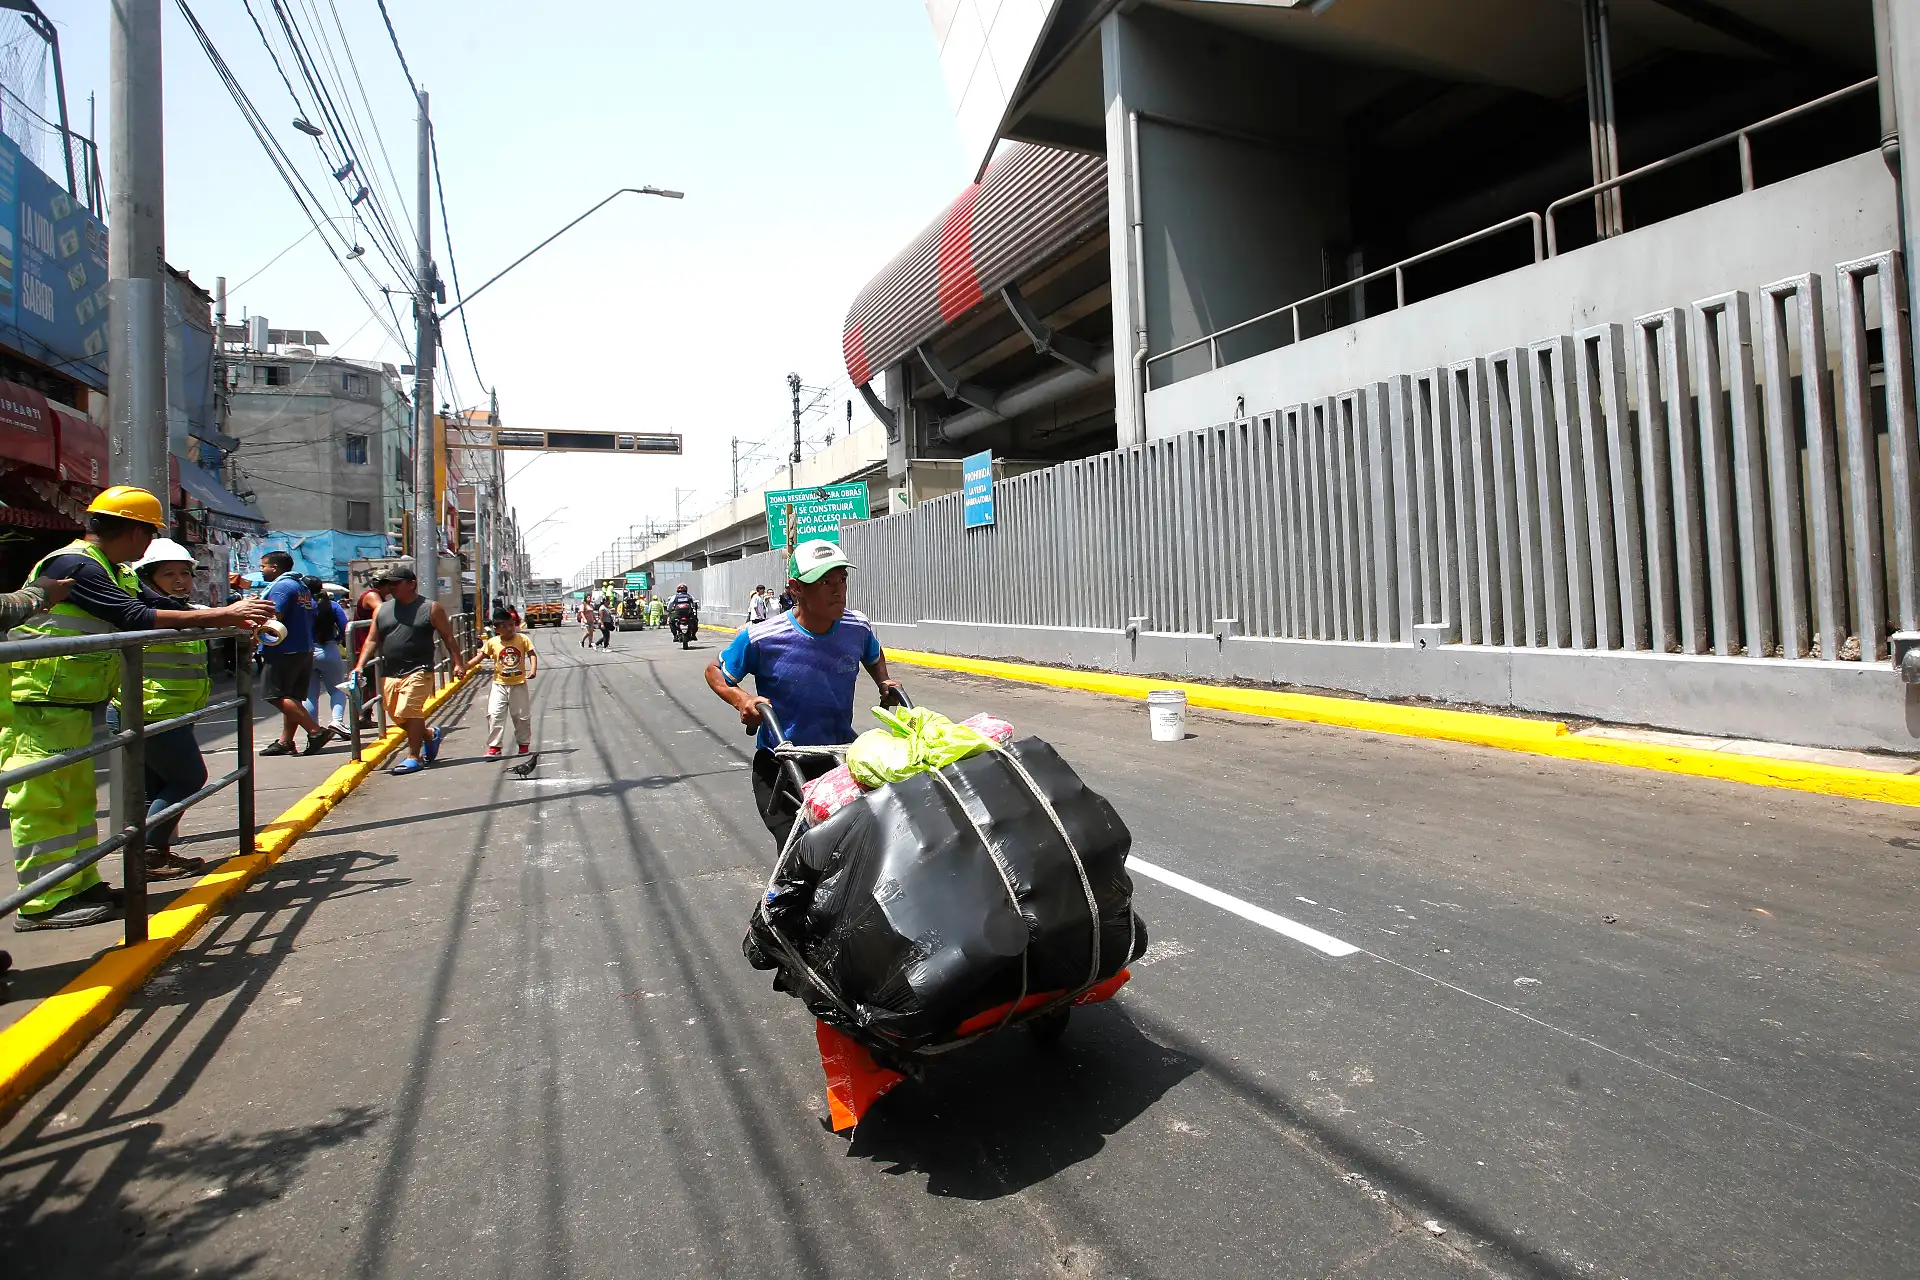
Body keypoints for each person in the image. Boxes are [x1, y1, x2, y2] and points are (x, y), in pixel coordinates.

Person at [6, 486, 273, 930]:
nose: (149, 543)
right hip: (41, 699)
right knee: (43, 804)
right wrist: (223, 616)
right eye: (149, 533)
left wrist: (226, 613)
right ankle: (43, 903)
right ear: (133, 531)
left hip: (73, 699)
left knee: (74, 804)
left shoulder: (112, 570)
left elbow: (155, 605)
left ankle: (77, 884)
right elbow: (135, 617)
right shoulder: (75, 566)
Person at [705, 540, 900, 843]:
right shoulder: (762, 637)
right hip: (781, 765)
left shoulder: (857, 626)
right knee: (802, 852)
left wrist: (883, 682)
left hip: (837, 759)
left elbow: (873, 655)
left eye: (842, 580)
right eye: (824, 582)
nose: (838, 590)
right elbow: (714, 671)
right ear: (796, 588)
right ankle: (781, 891)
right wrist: (742, 700)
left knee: (858, 845)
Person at [114, 539, 215, 881]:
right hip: (151, 711)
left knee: (152, 789)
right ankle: (147, 852)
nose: (180, 580)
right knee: (189, 778)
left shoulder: (185, 609)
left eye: (185, 573)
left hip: (167, 710)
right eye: (169, 573)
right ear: (148, 578)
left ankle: (151, 857)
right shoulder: (144, 612)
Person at [354, 562, 468, 775]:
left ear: (412, 584)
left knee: (409, 711)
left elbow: (448, 637)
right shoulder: (382, 609)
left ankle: (414, 756)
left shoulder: (431, 608)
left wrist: (458, 663)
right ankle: (429, 734)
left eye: (396, 584)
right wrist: (360, 666)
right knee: (396, 715)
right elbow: (371, 640)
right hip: (390, 671)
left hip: (420, 669)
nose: (391, 588)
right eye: (389, 585)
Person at [257, 552, 332, 757]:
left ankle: (316, 731)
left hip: (283, 649)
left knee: (275, 695)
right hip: (303, 648)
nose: (261, 570)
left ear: (274, 567)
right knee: (292, 697)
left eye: (263, 566)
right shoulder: (301, 586)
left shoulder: (281, 587)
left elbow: (273, 617)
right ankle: (286, 741)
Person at [480, 607, 536, 757]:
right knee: (494, 714)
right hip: (499, 685)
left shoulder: (522, 639)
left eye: (512, 625)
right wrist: (463, 666)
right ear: (497, 628)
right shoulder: (492, 643)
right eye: (505, 626)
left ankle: (524, 744)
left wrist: (533, 670)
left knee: (521, 716)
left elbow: (532, 654)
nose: (510, 629)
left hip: (518, 684)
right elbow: (480, 658)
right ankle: (495, 747)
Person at [302, 577, 351, 737]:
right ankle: (337, 721)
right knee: (337, 688)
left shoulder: (302, 607)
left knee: (309, 695)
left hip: (306, 652)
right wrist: (339, 641)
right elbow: (346, 628)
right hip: (329, 649)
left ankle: (315, 730)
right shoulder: (333, 606)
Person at [349, 569, 395, 728]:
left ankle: (364, 717)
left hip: (371, 647)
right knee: (364, 685)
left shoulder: (379, 595)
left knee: (371, 686)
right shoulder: (372, 595)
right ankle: (357, 719)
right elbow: (383, 612)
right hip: (363, 647)